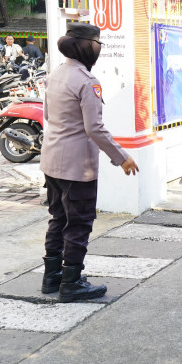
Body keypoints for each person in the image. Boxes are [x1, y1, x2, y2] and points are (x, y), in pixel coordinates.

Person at [39, 23, 139, 303]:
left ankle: (52, 277)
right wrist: (122, 157)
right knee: (79, 223)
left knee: (59, 218)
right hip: (76, 166)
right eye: (97, 45)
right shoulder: (87, 81)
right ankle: (71, 282)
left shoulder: (55, 74)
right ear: (88, 47)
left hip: (52, 161)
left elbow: (48, 115)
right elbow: (94, 128)